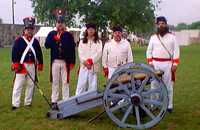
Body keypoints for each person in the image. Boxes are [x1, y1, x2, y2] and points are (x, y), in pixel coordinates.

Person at [146, 16, 180, 113]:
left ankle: (169, 105)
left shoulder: (172, 37)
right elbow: (149, 51)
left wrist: (175, 64)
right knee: (154, 85)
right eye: (159, 24)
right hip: (155, 64)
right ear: (157, 25)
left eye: (163, 23)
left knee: (168, 85)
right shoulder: (153, 38)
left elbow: (176, 51)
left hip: (168, 64)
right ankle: (154, 104)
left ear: (166, 24)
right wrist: (150, 63)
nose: (161, 25)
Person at [45, 9, 76, 110]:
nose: (60, 24)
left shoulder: (68, 35)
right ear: (56, 23)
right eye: (58, 22)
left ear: (64, 24)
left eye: (61, 22)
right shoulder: (51, 34)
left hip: (65, 62)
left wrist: (72, 62)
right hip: (55, 62)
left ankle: (65, 100)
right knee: (55, 82)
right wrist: (53, 39)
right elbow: (46, 45)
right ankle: (54, 101)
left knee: (65, 82)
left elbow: (72, 49)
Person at [11, 17, 43, 110]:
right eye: (28, 29)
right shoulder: (18, 41)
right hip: (21, 66)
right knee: (18, 85)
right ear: (24, 29)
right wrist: (16, 64)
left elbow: (39, 53)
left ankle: (27, 102)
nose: (29, 31)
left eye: (31, 29)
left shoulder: (35, 41)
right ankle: (15, 104)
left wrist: (40, 63)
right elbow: (14, 53)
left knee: (30, 84)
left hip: (32, 65)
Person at [75, 23, 102, 95]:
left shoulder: (99, 42)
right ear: (86, 31)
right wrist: (85, 62)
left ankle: (91, 99)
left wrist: (91, 61)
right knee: (81, 84)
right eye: (89, 29)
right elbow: (80, 54)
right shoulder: (81, 42)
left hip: (93, 66)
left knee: (92, 84)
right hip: (84, 66)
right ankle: (78, 98)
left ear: (95, 31)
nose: (91, 31)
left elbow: (99, 53)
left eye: (92, 29)